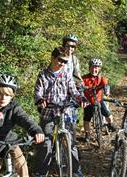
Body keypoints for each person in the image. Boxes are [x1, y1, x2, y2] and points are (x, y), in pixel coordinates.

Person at [33, 47, 87, 177]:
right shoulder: (43, 74)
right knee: (46, 142)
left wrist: (81, 98)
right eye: (60, 60)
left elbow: (73, 91)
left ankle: (75, 170)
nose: (62, 64)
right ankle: (41, 172)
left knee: (71, 142)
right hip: (49, 111)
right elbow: (37, 91)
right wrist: (40, 100)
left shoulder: (66, 74)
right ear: (52, 58)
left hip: (65, 111)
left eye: (65, 62)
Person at [82, 58, 116, 142]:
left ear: (99, 69)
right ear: (89, 68)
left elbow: (106, 85)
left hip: (98, 100)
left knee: (108, 115)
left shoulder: (101, 78)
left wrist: (107, 92)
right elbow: (80, 87)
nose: (94, 69)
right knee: (87, 118)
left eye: (97, 67)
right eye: (93, 67)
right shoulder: (84, 78)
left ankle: (109, 125)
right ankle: (87, 134)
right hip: (88, 101)